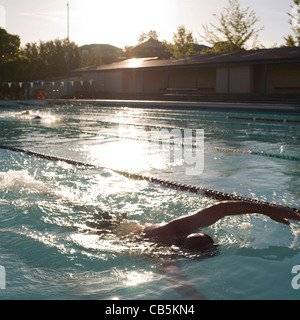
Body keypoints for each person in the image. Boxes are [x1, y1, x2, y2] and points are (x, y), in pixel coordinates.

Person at [142, 200, 300, 252]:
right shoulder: (166, 233)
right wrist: (268, 210)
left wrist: (269, 210)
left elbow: (220, 209)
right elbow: (219, 209)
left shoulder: (177, 230)